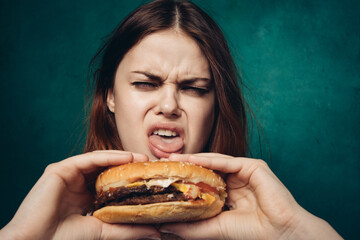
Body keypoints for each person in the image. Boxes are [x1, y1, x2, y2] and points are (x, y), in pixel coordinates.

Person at [0, 0, 342, 239]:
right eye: (146, 83)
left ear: (216, 105)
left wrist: (292, 231)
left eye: (194, 88)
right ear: (110, 96)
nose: (169, 105)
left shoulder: (259, 228)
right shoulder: (61, 227)